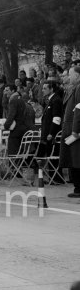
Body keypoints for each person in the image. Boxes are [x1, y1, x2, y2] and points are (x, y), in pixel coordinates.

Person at [37, 81, 64, 183]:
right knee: (49, 156)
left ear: (51, 89)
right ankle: (53, 178)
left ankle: (57, 179)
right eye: (42, 88)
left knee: (53, 156)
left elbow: (56, 118)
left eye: (45, 88)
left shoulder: (56, 100)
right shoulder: (49, 100)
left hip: (51, 134)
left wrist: (51, 133)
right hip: (46, 133)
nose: (43, 90)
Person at [59, 66, 80, 197]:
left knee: (77, 160)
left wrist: (75, 130)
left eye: (70, 75)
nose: (68, 77)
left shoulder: (79, 88)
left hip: (75, 132)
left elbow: (79, 109)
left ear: (77, 76)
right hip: (71, 129)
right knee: (74, 159)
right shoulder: (75, 88)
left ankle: (79, 188)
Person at [4, 85, 33, 155]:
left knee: (12, 152)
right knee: (20, 151)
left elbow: (11, 115)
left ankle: (13, 166)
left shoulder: (13, 100)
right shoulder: (20, 98)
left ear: (13, 91)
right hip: (24, 128)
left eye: (7, 90)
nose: (5, 92)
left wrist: (6, 126)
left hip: (16, 129)